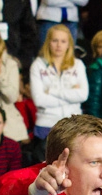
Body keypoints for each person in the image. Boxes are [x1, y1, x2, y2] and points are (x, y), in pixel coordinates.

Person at [30, 25, 89, 159]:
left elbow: (83, 95)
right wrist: (70, 95)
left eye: (63, 41)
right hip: (46, 126)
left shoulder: (78, 64)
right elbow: (39, 99)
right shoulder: (38, 65)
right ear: (48, 42)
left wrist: (51, 91)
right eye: (55, 40)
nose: (58, 45)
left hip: (73, 125)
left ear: (69, 44)